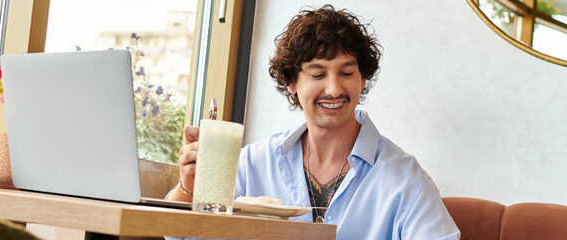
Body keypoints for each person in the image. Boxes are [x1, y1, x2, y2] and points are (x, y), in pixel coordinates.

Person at [168, 5, 460, 239]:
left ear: (362, 79)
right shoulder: (252, 165)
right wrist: (189, 186)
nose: (333, 89)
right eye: (318, 74)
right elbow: (180, 236)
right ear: (292, 83)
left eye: (346, 73)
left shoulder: (405, 179)